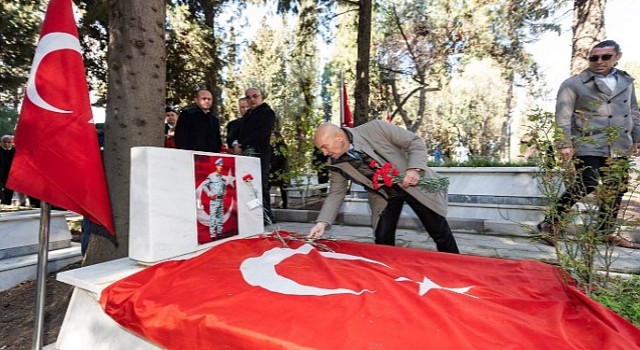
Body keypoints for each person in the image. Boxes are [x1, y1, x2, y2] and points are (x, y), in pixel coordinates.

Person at [537, 39, 640, 249]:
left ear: (617, 57)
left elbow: (634, 112)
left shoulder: (626, 82)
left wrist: (638, 138)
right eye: (594, 57)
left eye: (605, 57)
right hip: (587, 141)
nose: (599, 61)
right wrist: (564, 144)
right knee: (588, 181)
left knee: (617, 187)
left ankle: (606, 232)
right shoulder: (573, 84)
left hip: (619, 143)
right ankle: (551, 223)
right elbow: (562, 117)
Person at [307, 121, 459, 253]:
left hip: (411, 184)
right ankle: (389, 274)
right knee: (382, 238)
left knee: (439, 232)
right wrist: (322, 222)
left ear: (339, 139)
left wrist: (414, 169)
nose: (325, 153)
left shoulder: (375, 128)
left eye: (325, 147)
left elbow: (414, 142)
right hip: (384, 197)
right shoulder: (336, 164)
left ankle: (457, 267)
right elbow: (335, 194)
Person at [234, 87, 276, 223]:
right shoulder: (248, 114)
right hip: (247, 154)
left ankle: (266, 216)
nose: (252, 99)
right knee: (249, 184)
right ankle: (254, 215)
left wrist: (243, 144)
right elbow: (239, 132)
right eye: (248, 97)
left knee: (261, 184)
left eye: (255, 96)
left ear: (261, 97)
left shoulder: (267, 113)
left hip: (260, 153)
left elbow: (262, 133)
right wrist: (237, 144)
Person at [202, 158, 226, 240]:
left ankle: (219, 233)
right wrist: (209, 194)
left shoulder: (222, 178)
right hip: (214, 200)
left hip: (220, 200)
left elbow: (224, 187)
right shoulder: (211, 176)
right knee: (213, 217)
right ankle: (212, 235)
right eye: (219, 165)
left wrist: (224, 192)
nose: (221, 167)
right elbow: (204, 185)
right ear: (216, 166)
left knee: (220, 217)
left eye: (222, 166)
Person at [269, 131, 289, 209]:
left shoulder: (282, 146)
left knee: (283, 188)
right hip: (272, 171)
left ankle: (285, 204)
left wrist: (273, 165)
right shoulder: (270, 146)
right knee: (267, 186)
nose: (271, 137)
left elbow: (282, 158)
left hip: (281, 170)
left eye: (273, 135)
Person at [0, 135, 15, 205]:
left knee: (9, 191)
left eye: (9, 142)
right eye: (4, 142)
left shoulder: (15, 151)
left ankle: (7, 204)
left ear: (12, 142)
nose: (6, 144)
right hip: (1, 174)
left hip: (10, 175)